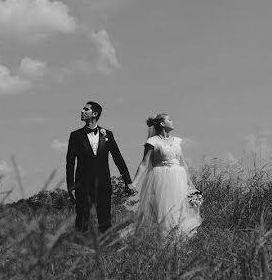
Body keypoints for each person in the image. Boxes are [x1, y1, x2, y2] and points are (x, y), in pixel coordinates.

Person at [126, 113, 201, 239]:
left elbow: (183, 163)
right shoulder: (152, 142)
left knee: (179, 210)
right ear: (162, 123)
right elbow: (144, 163)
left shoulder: (177, 141)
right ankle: (163, 240)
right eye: (169, 119)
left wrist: (190, 185)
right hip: (161, 179)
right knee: (164, 211)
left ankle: (178, 240)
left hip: (178, 178)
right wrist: (134, 183)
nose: (172, 121)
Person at [65, 101, 134, 232]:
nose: (82, 111)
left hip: (103, 184)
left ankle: (107, 249)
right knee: (82, 220)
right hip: (82, 184)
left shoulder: (108, 134)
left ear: (95, 114)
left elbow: (118, 158)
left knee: (105, 220)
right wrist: (71, 185)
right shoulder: (75, 136)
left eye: (86, 109)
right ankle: (80, 249)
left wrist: (128, 181)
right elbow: (70, 162)